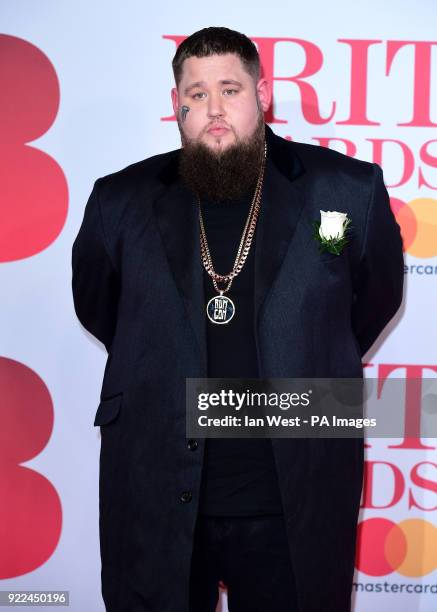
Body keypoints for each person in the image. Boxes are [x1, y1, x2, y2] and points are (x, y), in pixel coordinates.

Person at [71, 26, 404, 612]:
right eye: (196, 94)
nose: (214, 109)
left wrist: (310, 350)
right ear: (176, 104)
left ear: (263, 93)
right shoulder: (119, 200)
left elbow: (371, 299)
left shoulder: (346, 191)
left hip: (293, 492)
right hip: (155, 487)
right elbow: (103, 309)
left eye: (230, 89)